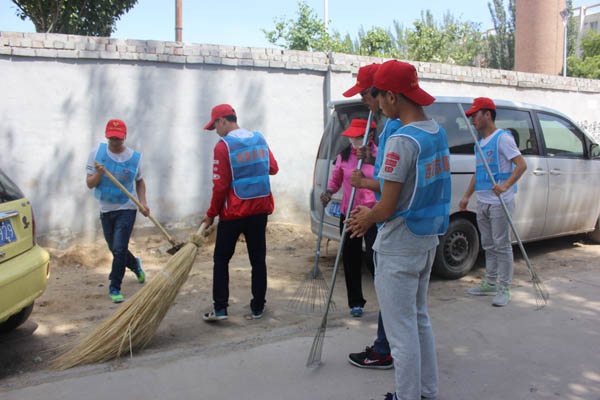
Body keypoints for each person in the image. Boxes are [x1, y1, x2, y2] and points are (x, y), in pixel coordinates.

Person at [346, 60, 451, 400]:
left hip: (400, 244)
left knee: (401, 333)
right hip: (426, 239)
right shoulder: (436, 132)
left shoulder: (402, 140)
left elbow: (388, 206)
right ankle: (427, 392)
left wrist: (367, 217)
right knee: (419, 321)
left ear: (391, 96)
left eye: (378, 96)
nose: (377, 103)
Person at [200, 104, 279, 322]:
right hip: (259, 210)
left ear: (223, 121)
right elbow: (273, 168)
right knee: (258, 259)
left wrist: (211, 214)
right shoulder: (259, 139)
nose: (215, 131)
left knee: (221, 259)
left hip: (233, 213)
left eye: (215, 126)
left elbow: (220, 186)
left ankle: (220, 309)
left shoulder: (223, 146)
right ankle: (258, 308)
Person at [344, 63, 399, 370]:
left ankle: (384, 350)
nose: (363, 101)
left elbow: (396, 183)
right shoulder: (388, 123)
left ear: (380, 93)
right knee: (390, 290)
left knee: (389, 289)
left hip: (393, 220)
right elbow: (389, 170)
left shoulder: (396, 126)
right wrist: (372, 157)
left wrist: (365, 184)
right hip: (387, 215)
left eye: (365, 94)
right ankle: (385, 346)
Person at [459, 97, 527, 307]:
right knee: (488, 244)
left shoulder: (502, 138)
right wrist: (466, 196)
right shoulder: (479, 144)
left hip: (500, 202)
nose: (472, 120)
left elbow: (521, 165)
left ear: (487, 114)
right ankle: (490, 283)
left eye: (475, 115)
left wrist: (505, 186)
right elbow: (478, 172)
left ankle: (504, 288)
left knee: (502, 245)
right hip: (483, 201)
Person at [86, 119, 149, 303]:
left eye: (118, 138)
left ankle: (115, 286)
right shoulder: (97, 154)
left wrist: (143, 202)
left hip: (126, 208)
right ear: (107, 137)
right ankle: (135, 265)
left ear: (125, 137)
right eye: (112, 138)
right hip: (106, 209)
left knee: (120, 249)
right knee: (115, 249)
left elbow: (140, 181)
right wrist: (99, 173)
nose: (115, 142)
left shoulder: (134, 158)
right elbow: (89, 183)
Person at [320, 118, 378, 318]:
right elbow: (335, 179)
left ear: (370, 136)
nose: (353, 140)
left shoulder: (380, 156)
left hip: (372, 214)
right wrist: (328, 192)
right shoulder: (343, 156)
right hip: (349, 214)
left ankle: (386, 296)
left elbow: (386, 181)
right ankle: (355, 302)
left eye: (358, 136)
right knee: (351, 259)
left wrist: (370, 161)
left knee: (374, 258)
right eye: (351, 136)